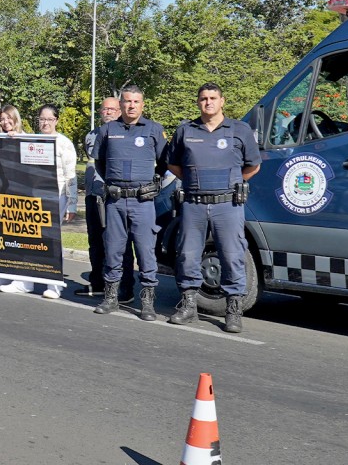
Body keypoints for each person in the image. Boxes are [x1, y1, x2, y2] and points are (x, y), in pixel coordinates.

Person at [166, 82, 261, 333]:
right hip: (194, 205)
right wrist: (192, 181)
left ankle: (233, 310)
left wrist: (233, 183)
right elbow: (173, 164)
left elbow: (253, 166)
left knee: (232, 256)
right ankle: (188, 305)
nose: (208, 102)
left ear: (222, 101)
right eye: (203, 98)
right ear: (198, 102)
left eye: (212, 98)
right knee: (187, 255)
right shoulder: (185, 130)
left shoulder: (239, 130)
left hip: (227, 205)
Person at [90, 86, 167, 319]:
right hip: (115, 201)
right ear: (120, 104)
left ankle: (147, 302)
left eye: (136, 101)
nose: (131, 105)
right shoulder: (107, 130)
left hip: (142, 202)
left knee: (145, 252)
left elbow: (164, 163)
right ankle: (111, 297)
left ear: (143, 104)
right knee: (113, 250)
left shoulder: (154, 129)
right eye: (127, 101)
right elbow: (100, 164)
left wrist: (150, 184)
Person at [0, 104, 78, 299]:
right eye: (42, 119)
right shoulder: (31, 139)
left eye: (49, 119)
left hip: (56, 196)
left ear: (56, 120)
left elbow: (71, 176)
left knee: (51, 241)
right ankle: (24, 282)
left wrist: (72, 203)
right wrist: (12, 139)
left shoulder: (63, 143)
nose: (45, 123)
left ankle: (53, 285)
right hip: (33, 197)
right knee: (29, 239)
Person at [75, 97, 134, 298]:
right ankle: (98, 282)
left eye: (112, 109)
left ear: (120, 111)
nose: (108, 112)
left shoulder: (126, 133)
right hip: (94, 195)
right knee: (95, 242)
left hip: (116, 197)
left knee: (120, 243)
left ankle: (125, 287)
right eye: (104, 109)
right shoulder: (91, 135)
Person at [0, 105, 26, 288]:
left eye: (8, 118)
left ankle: (21, 279)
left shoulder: (24, 138)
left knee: (18, 237)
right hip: (3, 193)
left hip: (20, 195)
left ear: (16, 118)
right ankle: (6, 273)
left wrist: (16, 140)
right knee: (5, 235)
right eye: (2, 119)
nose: (5, 122)